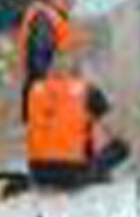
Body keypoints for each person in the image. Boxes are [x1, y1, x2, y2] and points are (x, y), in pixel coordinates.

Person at [25, 50, 129, 188]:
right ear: (78, 72)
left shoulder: (34, 90)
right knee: (122, 147)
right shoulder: (88, 90)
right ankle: (97, 174)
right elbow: (114, 128)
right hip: (73, 173)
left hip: (38, 172)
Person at [17, 0, 81, 122]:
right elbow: (38, 64)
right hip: (43, 97)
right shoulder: (43, 22)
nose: (68, 0)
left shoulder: (56, 18)